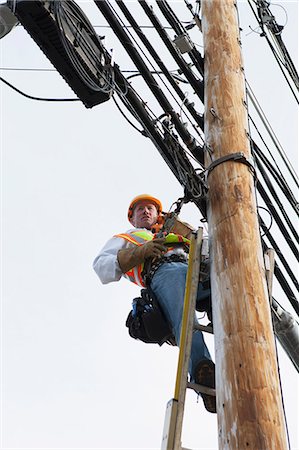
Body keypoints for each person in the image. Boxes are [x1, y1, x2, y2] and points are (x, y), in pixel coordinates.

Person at [93, 194, 216, 413]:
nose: (146, 212)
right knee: (184, 318)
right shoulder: (128, 237)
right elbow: (102, 267)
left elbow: (207, 245)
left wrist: (185, 231)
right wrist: (139, 252)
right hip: (164, 273)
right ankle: (202, 373)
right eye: (140, 210)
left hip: (197, 269)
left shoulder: (174, 230)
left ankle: (225, 321)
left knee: (227, 278)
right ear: (133, 219)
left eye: (150, 208)